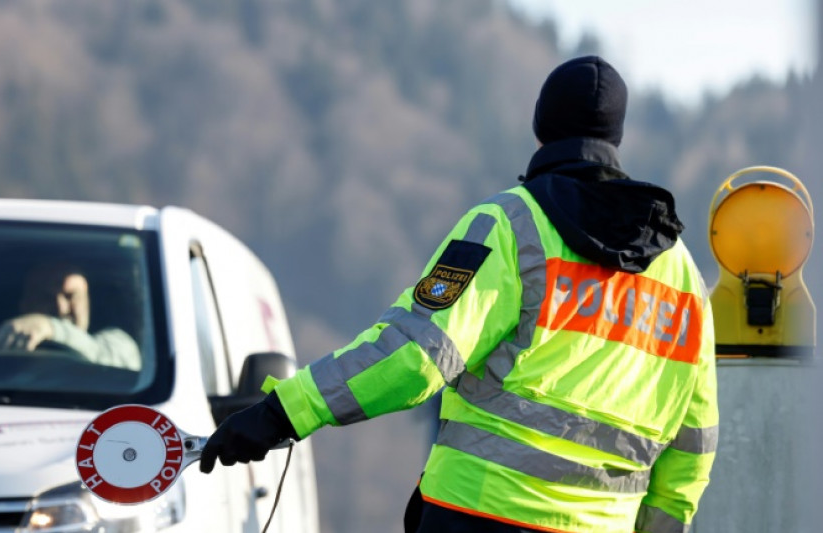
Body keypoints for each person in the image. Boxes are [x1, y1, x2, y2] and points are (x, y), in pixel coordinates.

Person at [200, 56, 718, 533]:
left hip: (477, 512)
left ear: (540, 128)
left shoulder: (511, 226)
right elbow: (694, 444)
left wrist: (282, 413)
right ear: (617, 137)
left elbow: (414, 359)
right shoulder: (683, 275)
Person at [0, 262, 141, 371]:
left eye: (70, 296)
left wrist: (49, 327)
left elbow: (110, 363)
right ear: (25, 304)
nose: (61, 308)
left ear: (88, 302)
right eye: (46, 297)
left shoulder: (117, 344)